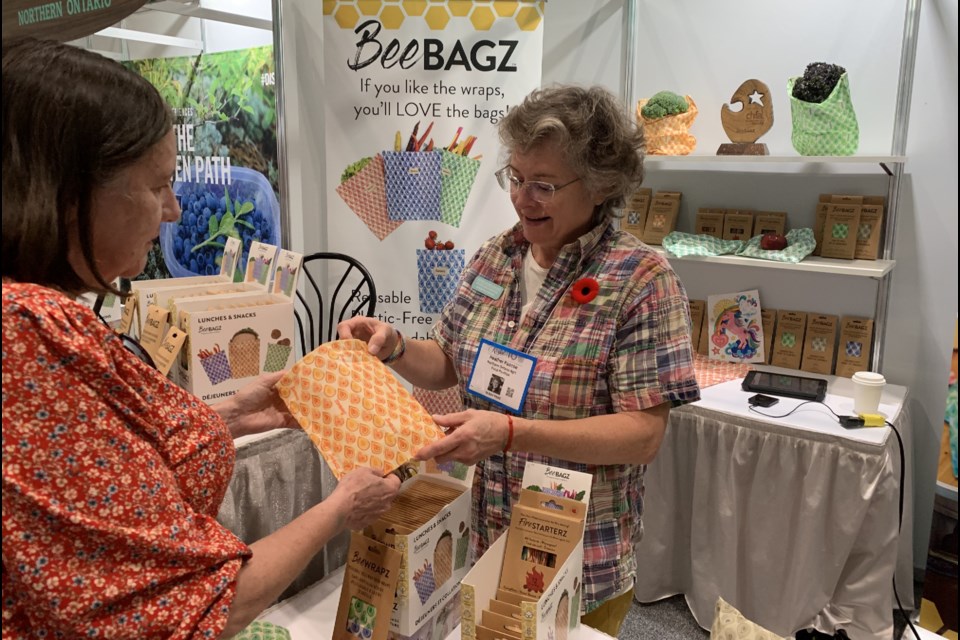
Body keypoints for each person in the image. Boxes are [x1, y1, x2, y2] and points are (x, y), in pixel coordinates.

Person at [1, 38, 400, 638]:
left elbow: (107, 471)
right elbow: (184, 602)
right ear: (71, 193)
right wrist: (339, 509)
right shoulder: (26, 335)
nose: (173, 210)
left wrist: (235, 414)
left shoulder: (40, 322)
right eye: (157, 184)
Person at [339, 84, 700, 636]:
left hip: (580, 560)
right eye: (516, 178)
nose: (523, 198)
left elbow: (641, 435)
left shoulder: (642, 281)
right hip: (486, 540)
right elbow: (450, 363)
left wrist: (510, 432)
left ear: (601, 185)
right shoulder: (495, 257)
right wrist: (397, 347)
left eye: (545, 185)